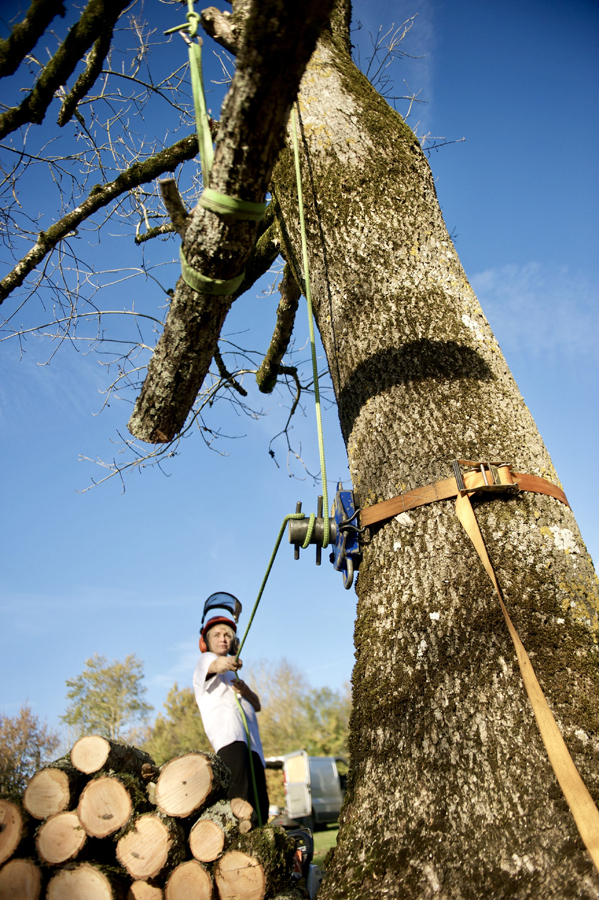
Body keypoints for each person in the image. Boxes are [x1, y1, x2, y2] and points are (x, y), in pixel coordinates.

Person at [193, 614, 269, 824]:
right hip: (230, 741)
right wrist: (229, 662)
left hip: (253, 748)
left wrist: (244, 689)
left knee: (260, 803)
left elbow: (257, 705)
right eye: (216, 635)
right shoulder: (206, 662)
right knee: (240, 798)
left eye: (227, 635)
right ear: (206, 642)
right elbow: (217, 665)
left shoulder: (234, 679)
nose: (223, 639)